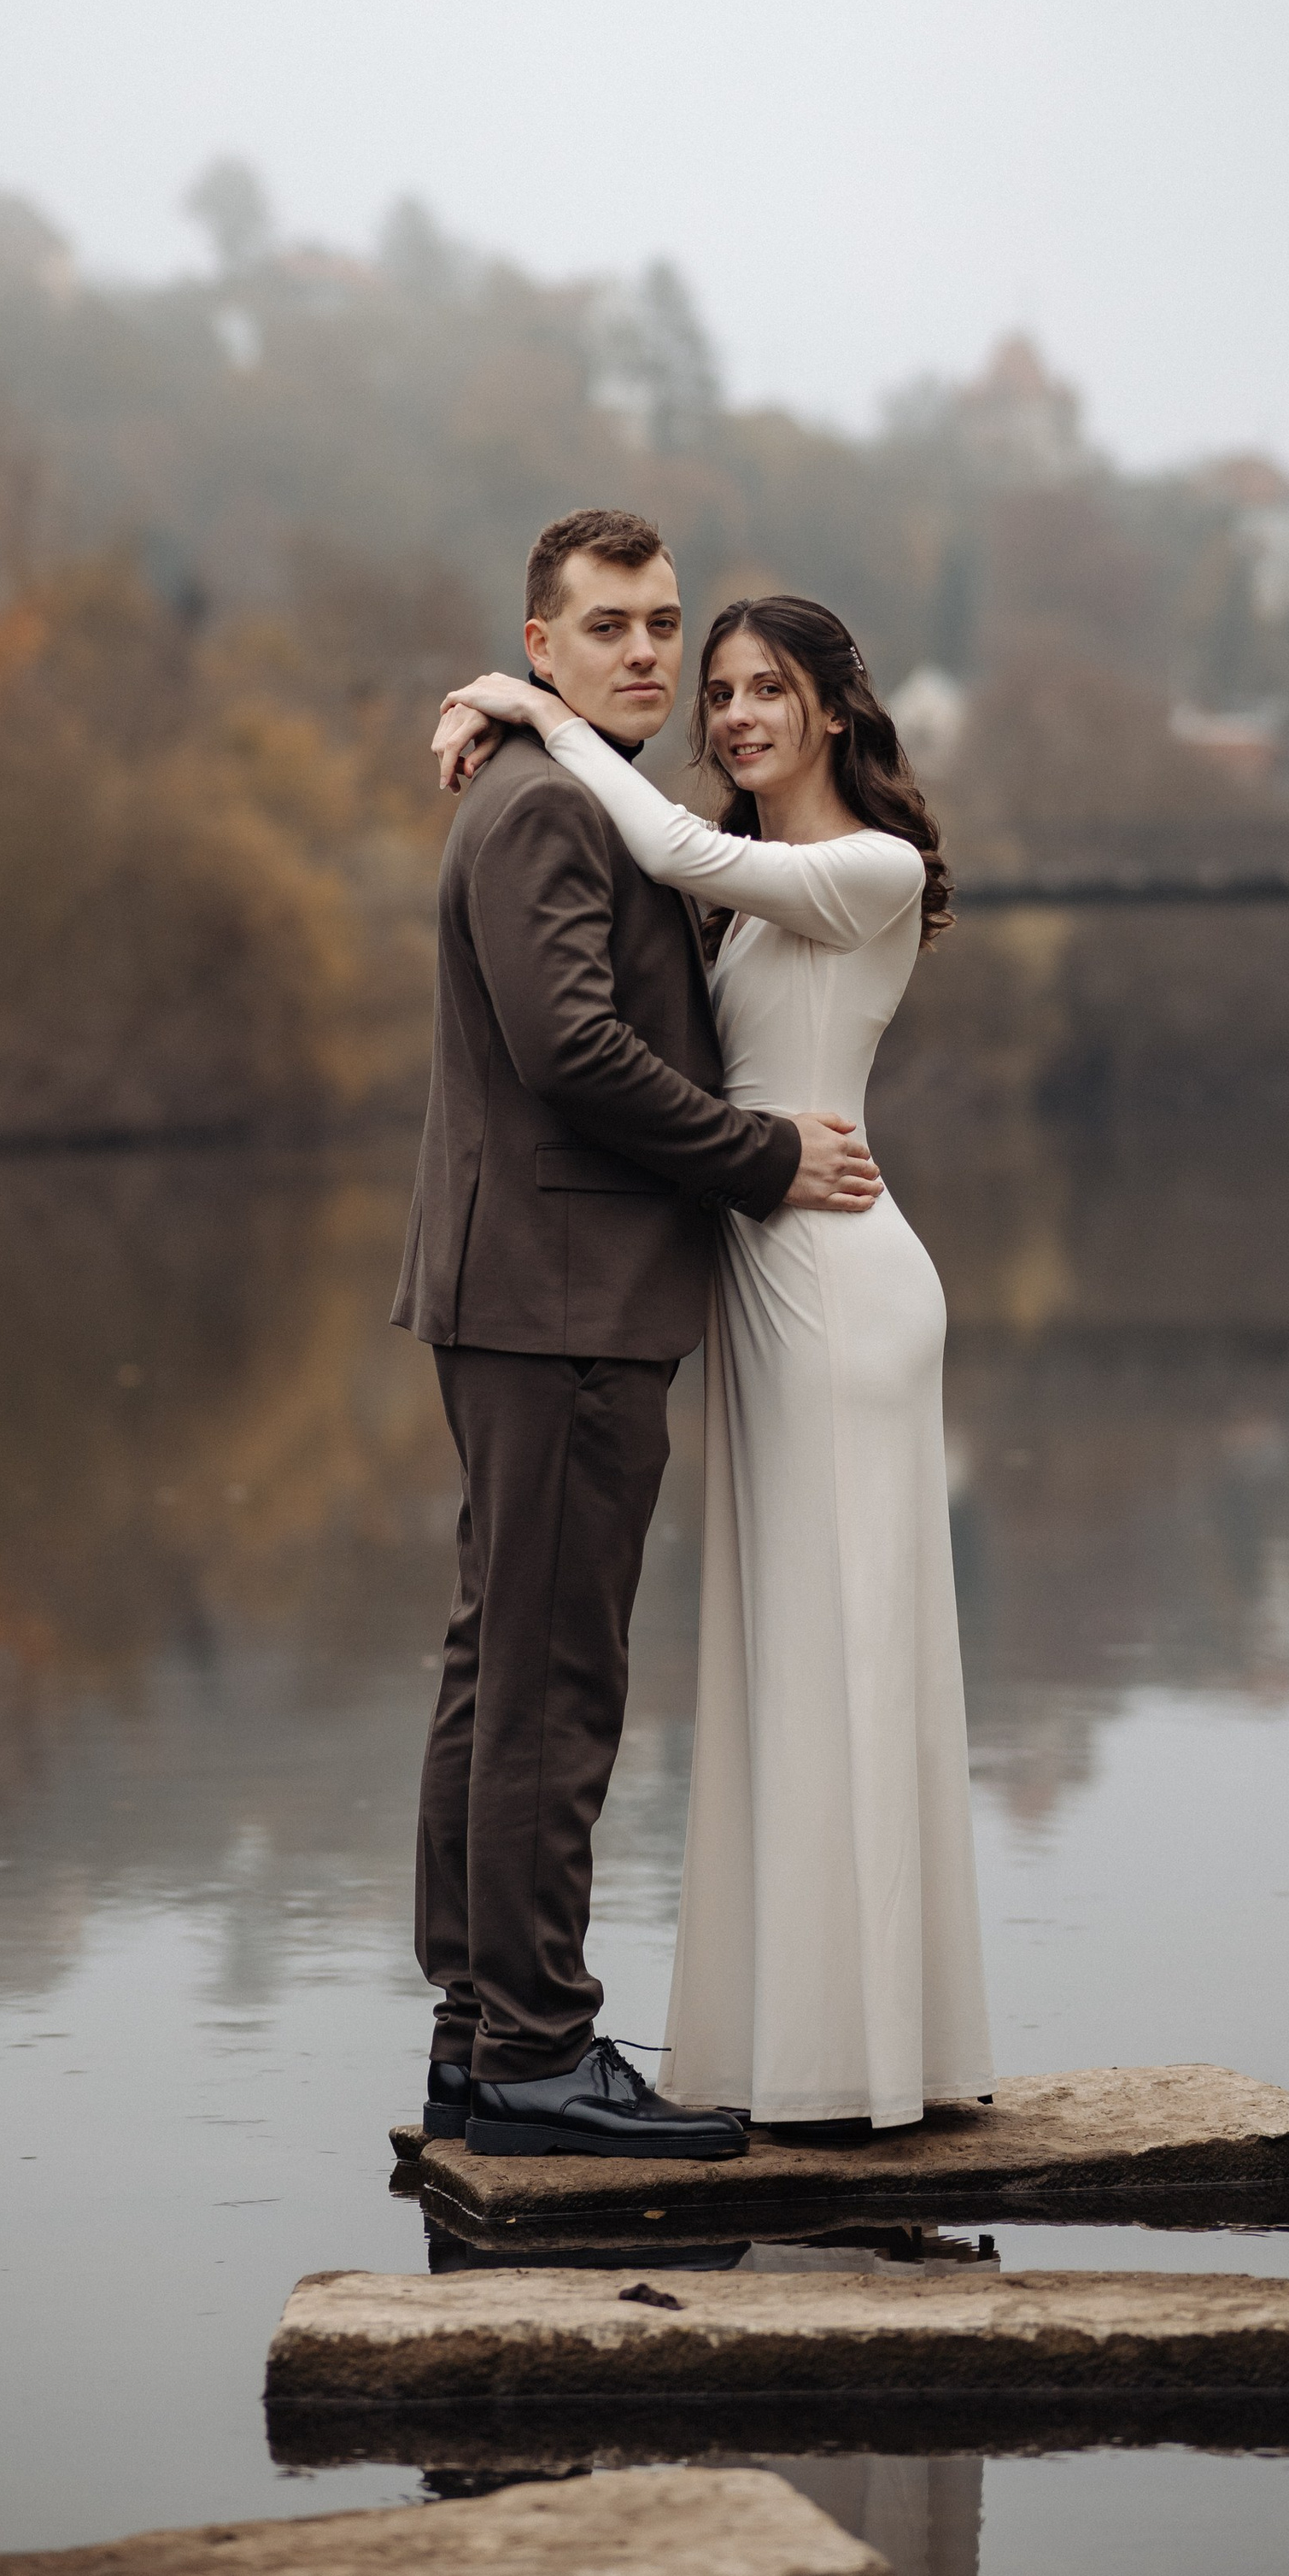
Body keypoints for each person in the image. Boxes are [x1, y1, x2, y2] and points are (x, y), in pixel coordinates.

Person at [434, 593, 993, 2136]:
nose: (735, 714)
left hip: (835, 1277)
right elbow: (648, 867)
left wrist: (536, 711)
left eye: (766, 689)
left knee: (844, 1646)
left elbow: (674, 852)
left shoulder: (858, 869)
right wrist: (524, 729)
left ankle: (868, 2054)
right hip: (755, 1270)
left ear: (833, 708)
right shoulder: (748, 884)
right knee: (778, 1653)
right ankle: (786, 2041)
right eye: (722, 691)